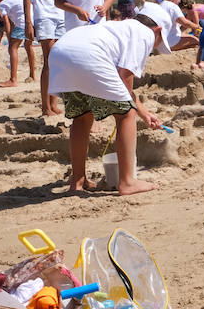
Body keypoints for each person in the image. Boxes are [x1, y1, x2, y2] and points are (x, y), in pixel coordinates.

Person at [45, 18, 164, 195]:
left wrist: (145, 113)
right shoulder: (145, 33)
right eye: (160, 42)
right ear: (158, 29)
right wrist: (137, 112)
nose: (156, 46)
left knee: (82, 117)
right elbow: (125, 79)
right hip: (88, 54)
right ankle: (127, 181)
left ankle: (77, 181)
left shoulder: (117, 28)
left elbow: (122, 85)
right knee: (125, 115)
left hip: (60, 52)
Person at [24, 0, 69, 115]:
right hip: (44, 15)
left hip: (61, 15)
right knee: (50, 61)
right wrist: (28, 21)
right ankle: (45, 106)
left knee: (58, 61)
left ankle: (53, 103)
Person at [0, 0, 33, 87]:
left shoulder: (4, 3)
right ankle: (33, 75)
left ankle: (13, 80)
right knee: (28, 46)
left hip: (23, 24)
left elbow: (7, 23)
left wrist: (9, 39)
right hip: (34, 23)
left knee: (13, 48)